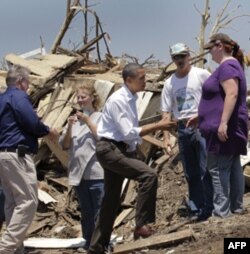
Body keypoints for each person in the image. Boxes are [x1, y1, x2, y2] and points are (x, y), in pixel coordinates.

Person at [87, 63, 176, 254]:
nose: (145, 81)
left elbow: (128, 134)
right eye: (141, 78)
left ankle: (96, 247)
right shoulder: (119, 100)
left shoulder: (131, 97)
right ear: (129, 80)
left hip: (118, 149)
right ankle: (142, 226)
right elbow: (128, 132)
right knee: (148, 175)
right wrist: (158, 125)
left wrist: (134, 150)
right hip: (110, 149)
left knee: (110, 200)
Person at [0, 65, 58, 254]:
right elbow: (31, 122)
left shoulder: (1, 98)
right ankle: (6, 248)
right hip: (18, 155)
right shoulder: (18, 96)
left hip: (3, 155)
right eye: (28, 83)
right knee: (28, 201)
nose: (28, 87)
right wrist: (47, 130)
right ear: (20, 82)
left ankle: (16, 248)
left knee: (12, 202)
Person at [161, 42, 213, 220]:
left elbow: (216, 98)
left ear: (189, 56)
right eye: (176, 57)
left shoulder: (202, 74)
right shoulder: (169, 83)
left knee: (206, 168)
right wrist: (166, 138)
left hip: (202, 125)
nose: (180, 60)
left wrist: (203, 115)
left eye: (182, 56)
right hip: (183, 128)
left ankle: (211, 206)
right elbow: (166, 112)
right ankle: (196, 207)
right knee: (191, 172)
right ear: (172, 59)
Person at [198, 33, 248, 218]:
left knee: (218, 169)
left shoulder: (227, 66)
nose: (209, 53)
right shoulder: (231, 66)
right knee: (233, 164)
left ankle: (221, 213)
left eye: (210, 48)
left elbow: (232, 94)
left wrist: (223, 123)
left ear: (219, 46)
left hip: (225, 127)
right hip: (230, 125)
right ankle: (236, 206)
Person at [59, 82, 104, 253]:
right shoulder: (74, 121)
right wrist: (70, 126)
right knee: (86, 212)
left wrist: (88, 121)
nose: (80, 100)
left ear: (93, 98)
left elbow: (102, 137)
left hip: (96, 173)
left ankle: (101, 244)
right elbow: (65, 144)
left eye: (83, 97)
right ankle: (88, 243)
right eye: (78, 97)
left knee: (100, 212)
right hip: (79, 175)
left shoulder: (99, 117)